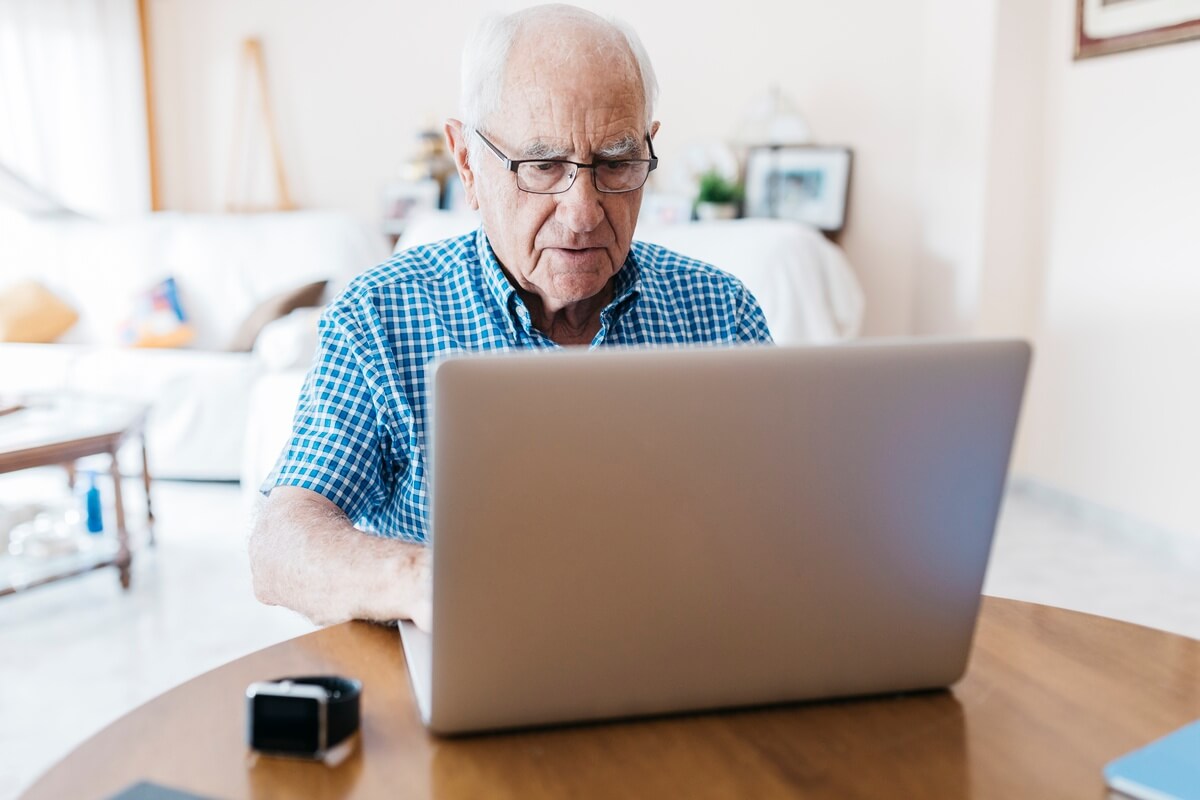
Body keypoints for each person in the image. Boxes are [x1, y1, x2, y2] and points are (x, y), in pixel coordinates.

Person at [248, 4, 772, 631]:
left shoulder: (722, 313)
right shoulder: (381, 317)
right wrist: (422, 580)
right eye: (543, 165)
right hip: (471, 667)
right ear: (467, 161)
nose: (583, 212)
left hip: (679, 651)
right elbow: (279, 545)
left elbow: (780, 522)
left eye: (615, 163)